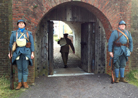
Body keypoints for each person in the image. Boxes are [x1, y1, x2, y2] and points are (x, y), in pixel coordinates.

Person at [8, 19, 35, 90]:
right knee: (19, 69)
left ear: (24, 25)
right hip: (17, 52)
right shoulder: (14, 33)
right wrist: (9, 53)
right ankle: (19, 83)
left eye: (22, 23)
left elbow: (32, 44)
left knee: (25, 68)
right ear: (17, 25)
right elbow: (10, 44)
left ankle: (25, 82)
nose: (21, 24)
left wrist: (32, 53)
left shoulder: (29, 33)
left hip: (26, 52)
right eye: (19, 23)